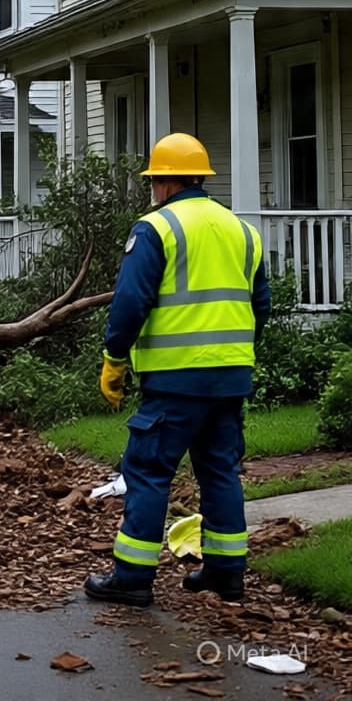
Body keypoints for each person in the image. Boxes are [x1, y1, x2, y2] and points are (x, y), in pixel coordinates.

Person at [83, 133, 270, 608]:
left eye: (154, 182)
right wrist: (232, 357)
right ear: (200, 178)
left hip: (173, 379)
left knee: (147, 471)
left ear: (163, 181)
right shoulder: (243, 231)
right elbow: (260, 306)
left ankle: (131, 578)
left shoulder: (156, 228)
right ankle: (226, 574)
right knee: (221, 472)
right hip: (230, 377)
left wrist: (114, 359)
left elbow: (129, 303)